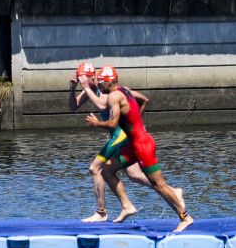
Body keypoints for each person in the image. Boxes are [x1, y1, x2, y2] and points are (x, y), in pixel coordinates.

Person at [86, 66, 193, 232]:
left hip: (142, 145)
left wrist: (97, 123)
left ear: (108, 82)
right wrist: (134, 122)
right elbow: (144, 101)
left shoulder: (114, 96)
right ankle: (127, 206)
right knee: (106, 170)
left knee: (159, 185)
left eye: (100, 83)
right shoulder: (126, 90)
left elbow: (113, 123)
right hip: (133, 145)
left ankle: (184, 217)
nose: (99, 86)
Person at [69, 62, 149, 222]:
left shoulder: (107, 92)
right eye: (80, 79)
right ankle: (169, 190)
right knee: (135, 175)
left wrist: (135, 121)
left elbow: (101, 103)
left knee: (95, 168)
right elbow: (73, 107)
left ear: (93, 77)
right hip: (121, 136)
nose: (82, 82)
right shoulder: (92, 90)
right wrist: (72, 88)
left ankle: (101, 212)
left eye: (84, 78)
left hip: (121, 135)